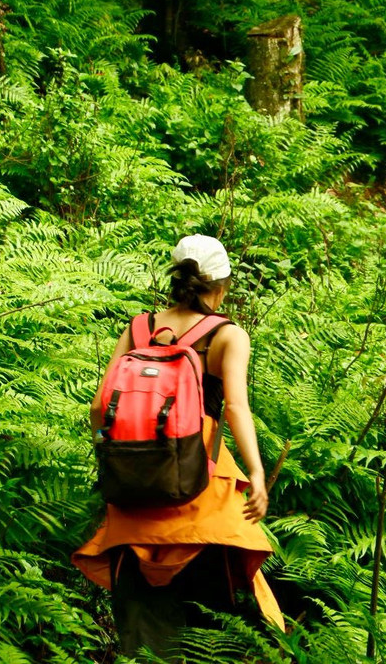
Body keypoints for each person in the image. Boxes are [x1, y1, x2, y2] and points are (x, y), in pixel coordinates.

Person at [72, 234, 285, 659]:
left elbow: (99, 407)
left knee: (142, 625)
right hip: (201, 490)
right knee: (208, 623)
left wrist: (113, 454)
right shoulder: (226, 335)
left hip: (132, 495)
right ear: (221, 285)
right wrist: (258, 474)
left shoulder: (137, 327)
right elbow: (238, 408)